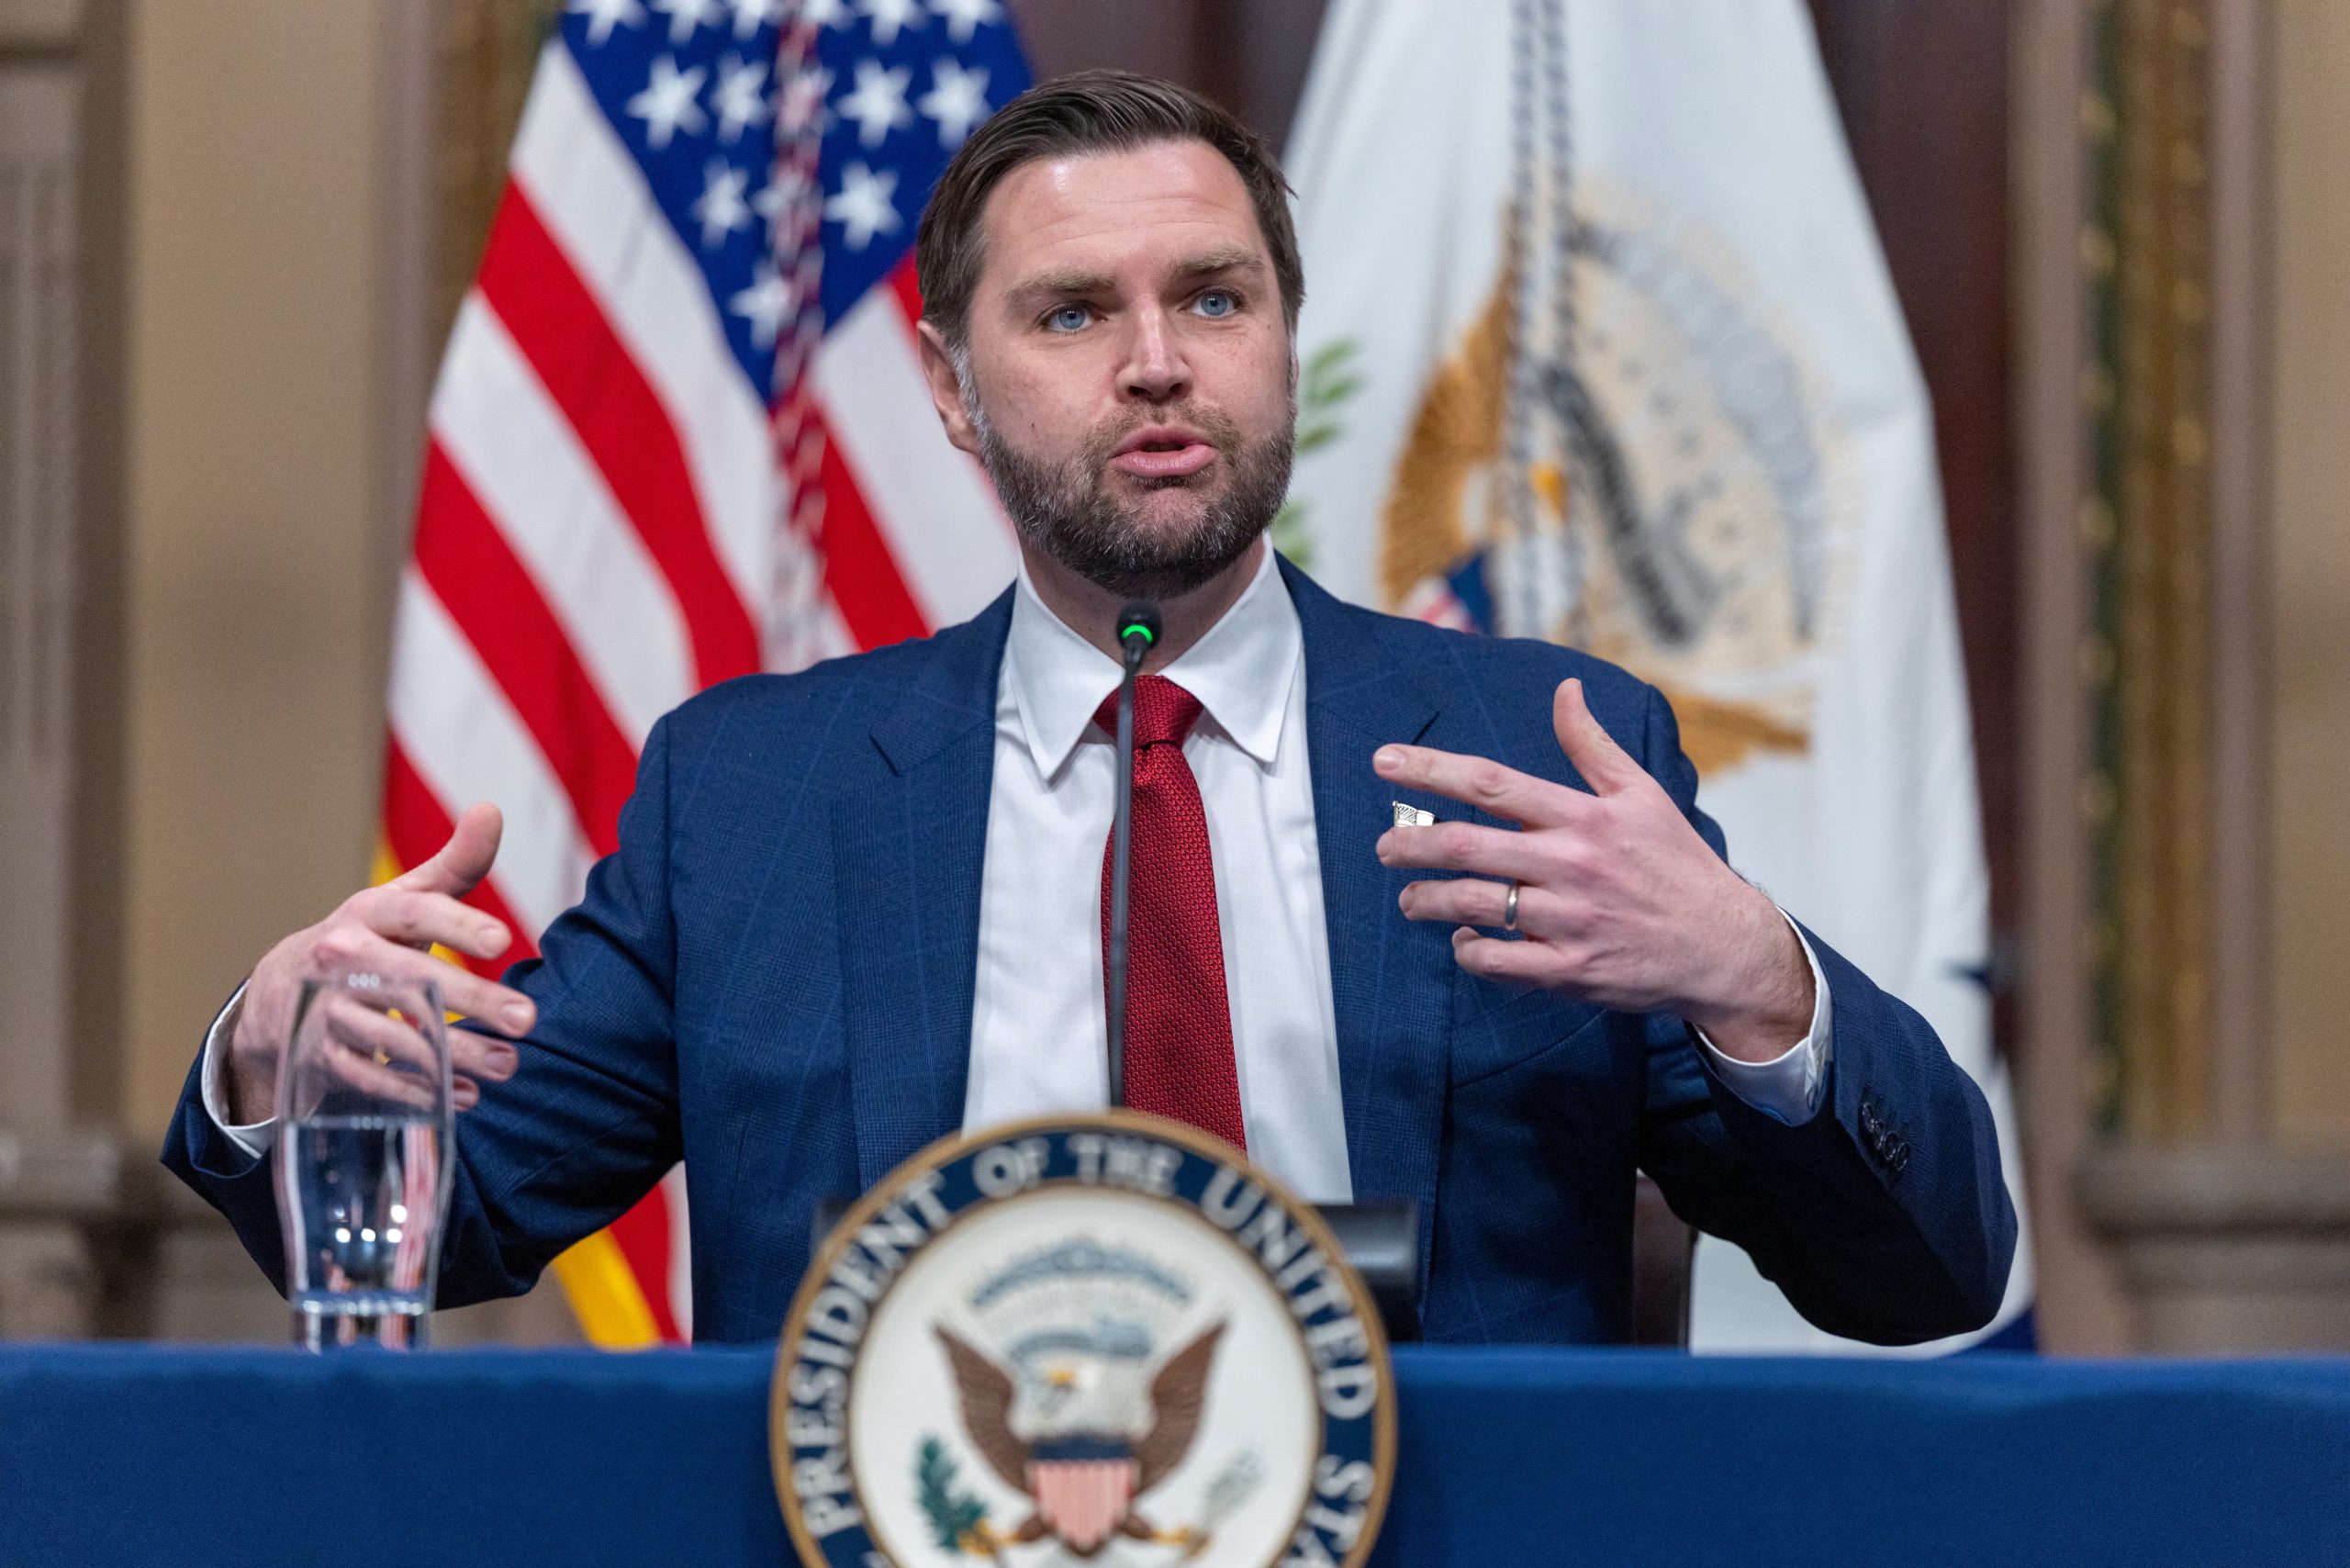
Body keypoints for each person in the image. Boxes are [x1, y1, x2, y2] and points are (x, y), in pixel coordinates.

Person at [164, 70, 2013, 1347]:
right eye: (1068, 314)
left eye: (1212, 297)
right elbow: (460, 1214)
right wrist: (285, 1067)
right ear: (952, 391)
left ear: (1283, 341)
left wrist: (1754, 979)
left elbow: (1922, 1273)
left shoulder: (1539, 753)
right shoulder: (754, 792)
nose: (1153, 359)